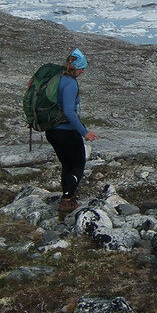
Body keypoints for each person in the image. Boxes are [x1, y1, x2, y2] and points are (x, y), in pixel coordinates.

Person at [45, 48, 100, 215]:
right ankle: (68, 200)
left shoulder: (57, 78)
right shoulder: (69, 83)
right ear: (75, 67)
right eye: (82, 68)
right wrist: (84, 132)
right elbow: (69, 111)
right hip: (65, 131)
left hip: (52, 131)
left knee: (67, 164)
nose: (83, 71)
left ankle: (68, 195)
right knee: (77, 164)